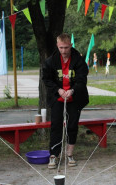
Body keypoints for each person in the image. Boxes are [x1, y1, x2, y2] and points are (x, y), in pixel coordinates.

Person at [43, 33, 89, 169]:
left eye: (66, 48)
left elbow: (82, 79)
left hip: (74, 98)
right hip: (57, 98)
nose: (64, 51)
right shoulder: (50, 61)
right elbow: (46, 79)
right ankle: (54, 155)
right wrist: (58, 90)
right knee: (56, 126)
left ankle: (69, 154)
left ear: (71, 45)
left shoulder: (79, 60)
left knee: (72, 126)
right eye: (61, 48)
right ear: (57, 46)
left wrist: (72, 90)